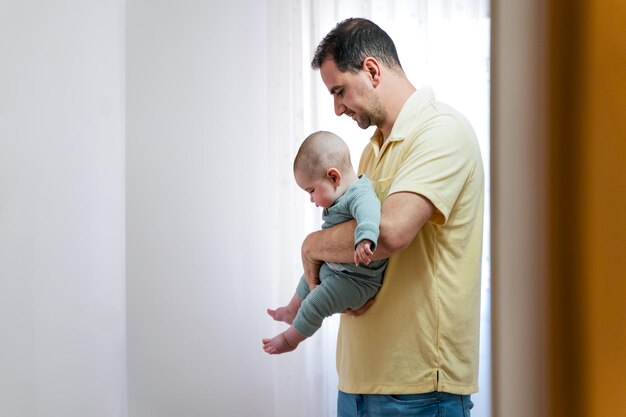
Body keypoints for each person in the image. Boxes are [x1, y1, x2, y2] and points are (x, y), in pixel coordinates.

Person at [303, 18, 485, 416]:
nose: (336, 108)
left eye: (339, 91)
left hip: (418, 390)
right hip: (357, 383)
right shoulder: (370, 152)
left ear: (371, 70)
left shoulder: (441, 131)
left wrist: (312, 247)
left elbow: (389, 232)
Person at [262, 130, 387, 355]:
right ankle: (292, 310)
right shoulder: (340, 196)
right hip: (338, 269)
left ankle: (291, 339)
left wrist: (365, 238)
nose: (311, 199)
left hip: (358, 281)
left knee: (317, 301)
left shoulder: (359, 194)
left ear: (334, 177)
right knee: (309, 276)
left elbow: (370, 212)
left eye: (311, 191)